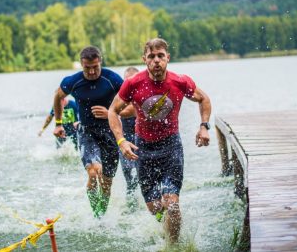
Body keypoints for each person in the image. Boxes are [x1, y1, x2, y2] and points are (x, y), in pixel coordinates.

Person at [108, 38, 211, 243]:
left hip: (171, 145)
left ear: (167, 58)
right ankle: (167, 229)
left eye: (160, 56)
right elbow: (113, 110)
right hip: (143, 148)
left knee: (171, 203)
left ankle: (172, 246)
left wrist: (204, 126)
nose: (156, 60)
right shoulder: (133, 83)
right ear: (144, 59)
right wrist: (121, 141)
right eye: (152, 56)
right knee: (155, 208)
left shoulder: (180, 81)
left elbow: (204, 99)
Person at [53, 46, 124, 218]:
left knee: (107, 183)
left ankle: (101, 215)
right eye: (87, 68)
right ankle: (96, 215)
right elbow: (57, 96)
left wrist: (110, 113)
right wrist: (58, 123)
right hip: (87, 132)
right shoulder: (73, 81)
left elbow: (130, 104)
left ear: (100, 61)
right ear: (82, 64)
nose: (92, 72)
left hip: (109, 131)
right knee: (93, 171)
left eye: (95, 67)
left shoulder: (112, 79)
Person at [120, 67, 139, 210]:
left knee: (143, 173)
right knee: (129, 174)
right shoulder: (120, 97)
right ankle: (132, 205)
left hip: (143, 139)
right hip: (125, 140)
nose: (130, 83)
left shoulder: (145, 95)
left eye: (133, 79)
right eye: (127, 80)